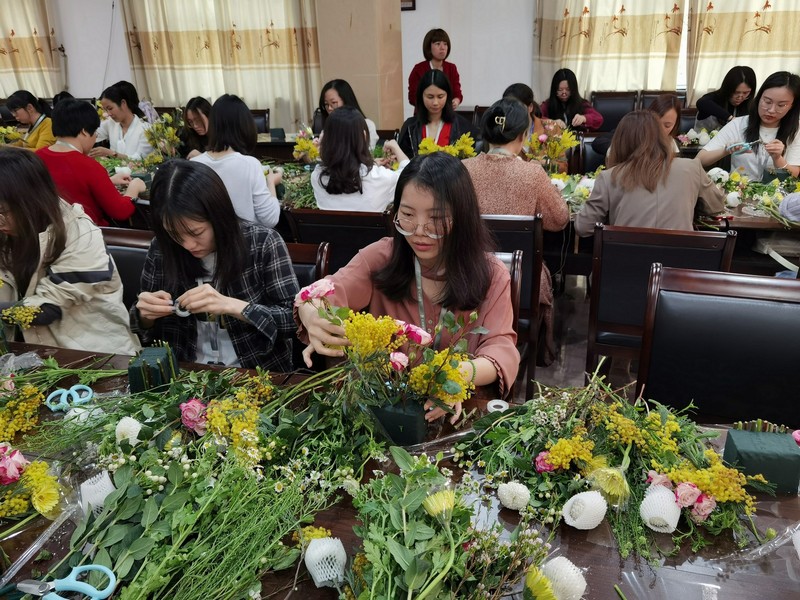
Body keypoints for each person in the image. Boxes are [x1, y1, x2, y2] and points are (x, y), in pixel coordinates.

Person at [297, 152, 520, 421]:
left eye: (436, 219)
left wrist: (455, 376)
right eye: (408, 215)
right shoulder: (380, 258)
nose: (419, 231)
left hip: (455, 414)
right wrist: (311, 313)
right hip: (384, 409)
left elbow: (500, 349)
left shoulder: (491, 274)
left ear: (462, 218)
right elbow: (325, 291)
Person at [132, 159, 299, 370]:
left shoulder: (262, 243)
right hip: (184, 374)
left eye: (196, 232)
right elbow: (138, 322)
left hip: (256, 374)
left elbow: (295, 321)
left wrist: (236, 307)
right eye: (174, 234)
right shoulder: (162, 248)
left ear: (218, 216)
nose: (187, 245)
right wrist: (145, 315)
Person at [0, 147, 140, 354]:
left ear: (30, 201)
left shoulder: (80, 233)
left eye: (3, 212)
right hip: (24, 351)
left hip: (88, 354)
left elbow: (46, 309)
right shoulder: (7, 233)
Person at [463, 98, 570, 365]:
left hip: (467, 274)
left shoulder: (463, 170)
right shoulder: (532, 174)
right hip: (520, 282)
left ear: (486, 134)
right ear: (524, 136)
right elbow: (559, 220)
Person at [575, 111, 725, 236]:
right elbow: (716, 206)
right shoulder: (692, 168)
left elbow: (583, 228)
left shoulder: (609, 177)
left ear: (620, 141)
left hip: (625, 266)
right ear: (661, 137)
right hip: (678, 267)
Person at [36, 99, 146, 226]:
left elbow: (70, 188)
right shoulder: (88, 165)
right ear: (84, 131)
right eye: (95, 133)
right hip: (89, 236)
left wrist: (107, 181)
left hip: (51, 231)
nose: (95, 138)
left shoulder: (37, 157)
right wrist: (134, 188)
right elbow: (120, 211)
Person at [191, 94, 281, 227]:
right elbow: (270, 219)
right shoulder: (250, 165)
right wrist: (271, 182)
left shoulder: (194, 165)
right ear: (245, 126)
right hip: (245, 244)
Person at [696, 71, 800, 181]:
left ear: (792, 106)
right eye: (767, 101)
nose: (771, 110)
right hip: (739, 193)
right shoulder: (738, 124)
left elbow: (793, 175)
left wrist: (778, 158)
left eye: (781, 105)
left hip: (778, 196)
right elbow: (700, 159)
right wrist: (726, 151)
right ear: (759, 97)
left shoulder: (796, 131)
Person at [312, 106, 410, 212]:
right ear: (363, 136)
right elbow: (409, 177)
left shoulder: (317, 176)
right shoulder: (379, 178)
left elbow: (346, 171)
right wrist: (395, 147)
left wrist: (372, 166)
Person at [398, 69, 475, 158]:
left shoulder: (462, 126)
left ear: (448, 96)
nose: (435, 102)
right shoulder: (410, 127)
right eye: (430, 97)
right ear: (421, 96)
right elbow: (403, 163)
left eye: (440, 96)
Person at [90, 80, 155, 161]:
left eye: (110, 108)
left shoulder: (146, 129)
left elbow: (139, 159)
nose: (108, 114)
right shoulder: (111, 123)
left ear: (123, 103)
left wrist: (111, 153)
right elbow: (92, 134)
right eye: (105, 110)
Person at [408, 28, 463, 110]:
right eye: (438, 44)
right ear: (429, 47)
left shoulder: (452, 68)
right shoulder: (418, 69)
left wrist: (456, 101)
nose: (442, 48)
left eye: (445, 44)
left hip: (446, 115)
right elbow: (413, 97)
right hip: (423, 116)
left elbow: (457, 93)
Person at [316, 80, 378, 149]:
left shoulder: (367, 125)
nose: (329, 108)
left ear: (346, 101)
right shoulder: (328, 128)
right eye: (326, 104)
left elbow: (368, 154)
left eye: (333, 102)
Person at [695, 66, 757, 130]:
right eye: (736, 92)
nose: (740, 97)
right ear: (728, 88)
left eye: (745, 93)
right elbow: (701, 102)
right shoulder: (714, 98)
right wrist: (730, 118)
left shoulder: (751, 105)